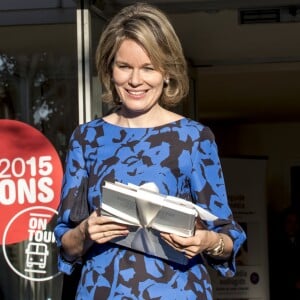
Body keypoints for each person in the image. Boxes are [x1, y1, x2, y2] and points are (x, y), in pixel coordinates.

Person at [54, 3, 246, 299]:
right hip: (102, 291)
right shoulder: (87, 138)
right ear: (109, 67)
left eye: (148, 68)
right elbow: (65, 242)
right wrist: (84, 232)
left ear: (167, 72)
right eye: (124, 66)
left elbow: (229, 236)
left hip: (179, 291)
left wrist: (207, 240)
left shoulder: (194, 138)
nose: (135, 80)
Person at [269, 206, 300, 300]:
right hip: (283, 291)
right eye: (289, 222)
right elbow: (277, 269)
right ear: (284, 223)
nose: (293, 226)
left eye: (295, 222)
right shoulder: (275, 243)